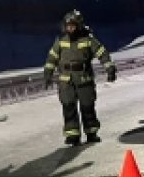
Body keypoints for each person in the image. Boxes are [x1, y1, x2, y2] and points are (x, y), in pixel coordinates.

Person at [43, 10, 117, 146]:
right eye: (67, 26)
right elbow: (51, 58)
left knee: (87, 106)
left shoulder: (88, 40)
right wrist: (47, 74)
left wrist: (109, 68)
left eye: (72, 26)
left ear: (79, 25)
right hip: (66, 81)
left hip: (84, 79)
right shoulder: (61, 41)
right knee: (68, 107)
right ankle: (73, 135)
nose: (70, 29)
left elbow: (102, 53)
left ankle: (91, 132)